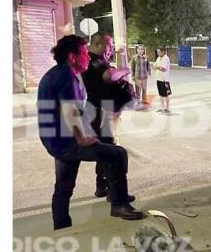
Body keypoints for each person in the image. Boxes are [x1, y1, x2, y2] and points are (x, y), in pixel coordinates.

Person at [37, 35, 143, 229]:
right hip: (66, 141)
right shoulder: (66, 76)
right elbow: (71, 111)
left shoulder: (57, 73)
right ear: (72, 57)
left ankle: (61, 226)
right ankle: (119, 204)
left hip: (54, 140)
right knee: (118, 154)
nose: (87, 57)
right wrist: (82, 138)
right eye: (84, 53)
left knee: (63, 187)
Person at [83, 32, 135, 202]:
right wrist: (124, 70)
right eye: (109, 45)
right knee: (113, 153)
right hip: (96, 113)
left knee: (104, 151)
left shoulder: (91, 60)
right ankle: (116, 196)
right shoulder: (94, 61)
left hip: (97, 111)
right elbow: (110, 75)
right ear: (98, 44)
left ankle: (102, 187)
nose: (110, 49)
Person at [153, 47, 172, 112]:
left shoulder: (166, 58)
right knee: (161, 94)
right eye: (157, 52)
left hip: (165, 80)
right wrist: (157, 67)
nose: (158, 53)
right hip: (158, 79)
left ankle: (168, 108)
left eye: (159, 52)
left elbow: (163, 69)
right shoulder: (158, 58)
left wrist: (157, 67)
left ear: (163, 51)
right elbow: (154, 66)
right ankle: (162, 107)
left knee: (166, 94)